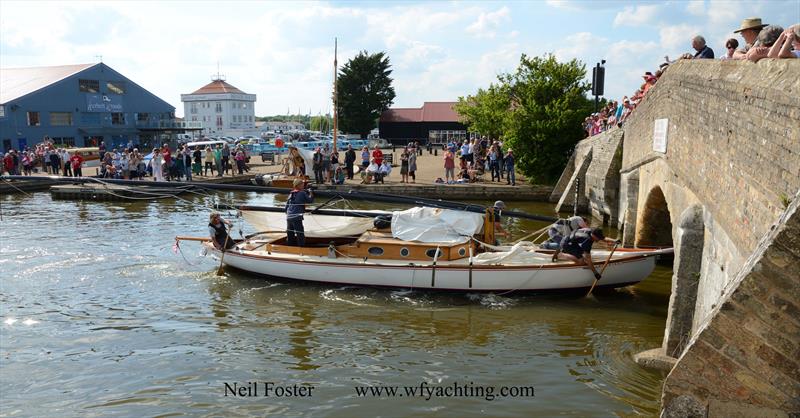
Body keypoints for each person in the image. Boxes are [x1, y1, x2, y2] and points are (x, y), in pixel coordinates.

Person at [551, 228, 621, 280]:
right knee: (582, 261)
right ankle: (561, 254)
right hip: (567, 244)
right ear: (593, 236)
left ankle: (560, 251)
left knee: (583, 255)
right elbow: (588, 259)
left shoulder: (592, 231)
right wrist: (595, 273)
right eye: (598, 238)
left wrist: (614, 240)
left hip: (571, 240)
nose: (599, 240)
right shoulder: (587, 242)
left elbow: (603, 238)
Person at [286, 178, 314, 247]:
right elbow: (310, 200)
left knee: (290, 234)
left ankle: (290, 247)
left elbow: (286, 207)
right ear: (298, 185)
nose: (303, 185)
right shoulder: (302, 193)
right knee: (300, 234)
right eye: (302, 184)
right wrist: (311, 192)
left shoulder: (291, 193)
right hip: (297, 216)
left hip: (289, 216)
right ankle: (301, 248)